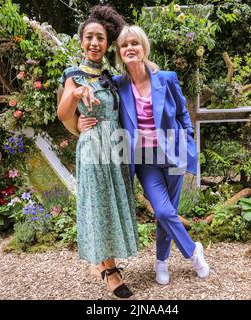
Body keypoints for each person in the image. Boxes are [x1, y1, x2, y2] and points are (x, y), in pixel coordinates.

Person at [77, 25, 210, 285]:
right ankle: (193, 252)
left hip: (172, 154)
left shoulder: (167, 78)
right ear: (119, 53)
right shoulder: (117, 84)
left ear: (144, 48)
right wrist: (79, 121)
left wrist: (188, 143)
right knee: (162, 211)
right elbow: (98, 103)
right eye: (124, 45)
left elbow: (183, 114)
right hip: (145, 160)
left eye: (134, 44)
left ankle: (161, 261)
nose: (129, 48)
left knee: (168, 212)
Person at [57, 6, 138, 299]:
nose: (94, 43)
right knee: (99, 205)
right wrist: (76, 95)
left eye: (100, 38)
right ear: (81, 41)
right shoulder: (73, 75)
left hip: (114, 147)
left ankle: (106, 261)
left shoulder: (110, 76)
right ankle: (110, 271)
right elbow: (63, 112)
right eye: (89, 37)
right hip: (92, 149)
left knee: (113, 202)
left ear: (107, 43)